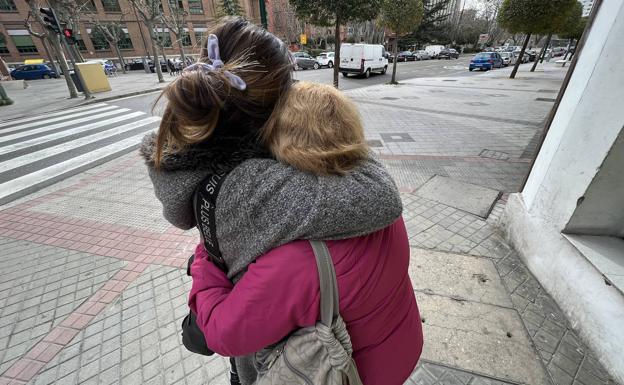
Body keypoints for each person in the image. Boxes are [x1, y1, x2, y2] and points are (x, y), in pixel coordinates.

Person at [141, 17, 410, 384]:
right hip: (382, 353)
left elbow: (224, 332)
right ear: (278, 101)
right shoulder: (268, 191)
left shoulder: (229, 185)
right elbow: (381, 195)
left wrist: (206, 253)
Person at [187, 80, 423, 384]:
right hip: (401, 345)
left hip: (356, 374)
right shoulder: (379, 206)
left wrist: (204, 257)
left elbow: (223, 334)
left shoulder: (295, 263)